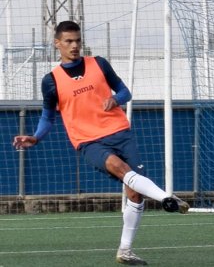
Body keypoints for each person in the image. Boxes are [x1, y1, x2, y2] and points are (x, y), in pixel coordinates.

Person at [13, 20, 189, 266]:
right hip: (88, 140)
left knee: (135, 193)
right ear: (57, 44)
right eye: (68, 41)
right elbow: (48, 115)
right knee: (119, 167)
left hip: (120, 132)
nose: (74, 46)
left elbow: (126, 92)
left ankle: (125, 251)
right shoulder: (50, 80)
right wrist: (36, 137)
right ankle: (166, 199)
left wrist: (116, 100)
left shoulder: (99, 64)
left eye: (77, 41)